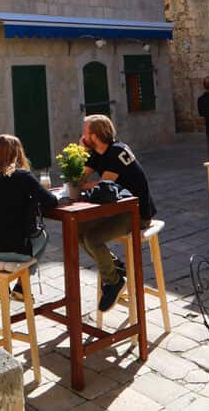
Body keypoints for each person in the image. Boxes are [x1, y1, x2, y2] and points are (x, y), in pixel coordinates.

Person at [78, 114, 156, 312]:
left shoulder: (116, 152)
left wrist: (85, 185)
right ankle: (115, 268)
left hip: (136, 214)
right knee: (78, 233)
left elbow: (103, 188)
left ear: (95, 136)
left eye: (85, 132)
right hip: (117, 210)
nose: (82, 135)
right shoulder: (97, 152)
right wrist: (80, 154)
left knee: (93, 238)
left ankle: (114, 282)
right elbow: (79, 179)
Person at [0, 135, 58, 296]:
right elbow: (51, 202)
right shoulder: (23, 177)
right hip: (12, 249)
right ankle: (22, 287)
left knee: (0, 235)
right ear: (18, 153)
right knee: (42, 236)